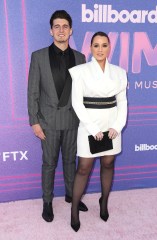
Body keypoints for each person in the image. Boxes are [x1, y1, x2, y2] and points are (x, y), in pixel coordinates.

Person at [27, 10, 88, 223]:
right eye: (57, 26)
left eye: (65, 27)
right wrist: (34, 121)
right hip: (48, 122)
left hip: (73, 121)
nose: (61, 30)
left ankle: (72, 195)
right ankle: (47, 201)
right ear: (50, 30)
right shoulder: (38, 56)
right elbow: (32, 92)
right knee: (49, 163)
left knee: (71, 161)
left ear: (71, 31)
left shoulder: (81, 58)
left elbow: (83, 92)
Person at [69, 31, 127, 231]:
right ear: (91, 48)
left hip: (111, 125)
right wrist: (93, 129)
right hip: (88, 124)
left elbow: (122, 102)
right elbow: (77, 103)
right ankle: (74, 210)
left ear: (109, 47)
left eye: (104, 45)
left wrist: (117, 126)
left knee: (108, 163)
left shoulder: (119, 72)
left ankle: (104, 202)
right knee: (83, 167)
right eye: (96, 45)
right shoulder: (80, 71)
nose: (100, 49)